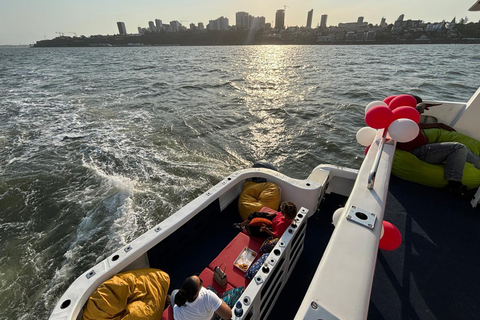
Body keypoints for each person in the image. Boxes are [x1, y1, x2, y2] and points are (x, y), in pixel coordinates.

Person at [397, 95, 480, 197]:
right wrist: (421, 104)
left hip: (424, 148)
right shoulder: (404, 117)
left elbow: (418, 125)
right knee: (458, 147)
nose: (423, 112)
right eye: (420, 108)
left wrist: (439, 124)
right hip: (418, 152)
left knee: (463, 150)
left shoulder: (407, 120)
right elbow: (417, 112)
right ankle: (454, 184)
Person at [233, 201, 298, 238]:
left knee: (252, 228)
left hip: (271, 228)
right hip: (274, 220)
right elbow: (279, 214)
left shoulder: (282, 225)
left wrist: (266, 230)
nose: (280, 211)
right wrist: (274, 214)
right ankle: (242, 224)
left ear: (285, 213)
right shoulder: (285, 215)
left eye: (282, 210)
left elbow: (276, 235)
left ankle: (244, 227)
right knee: (254, 214)